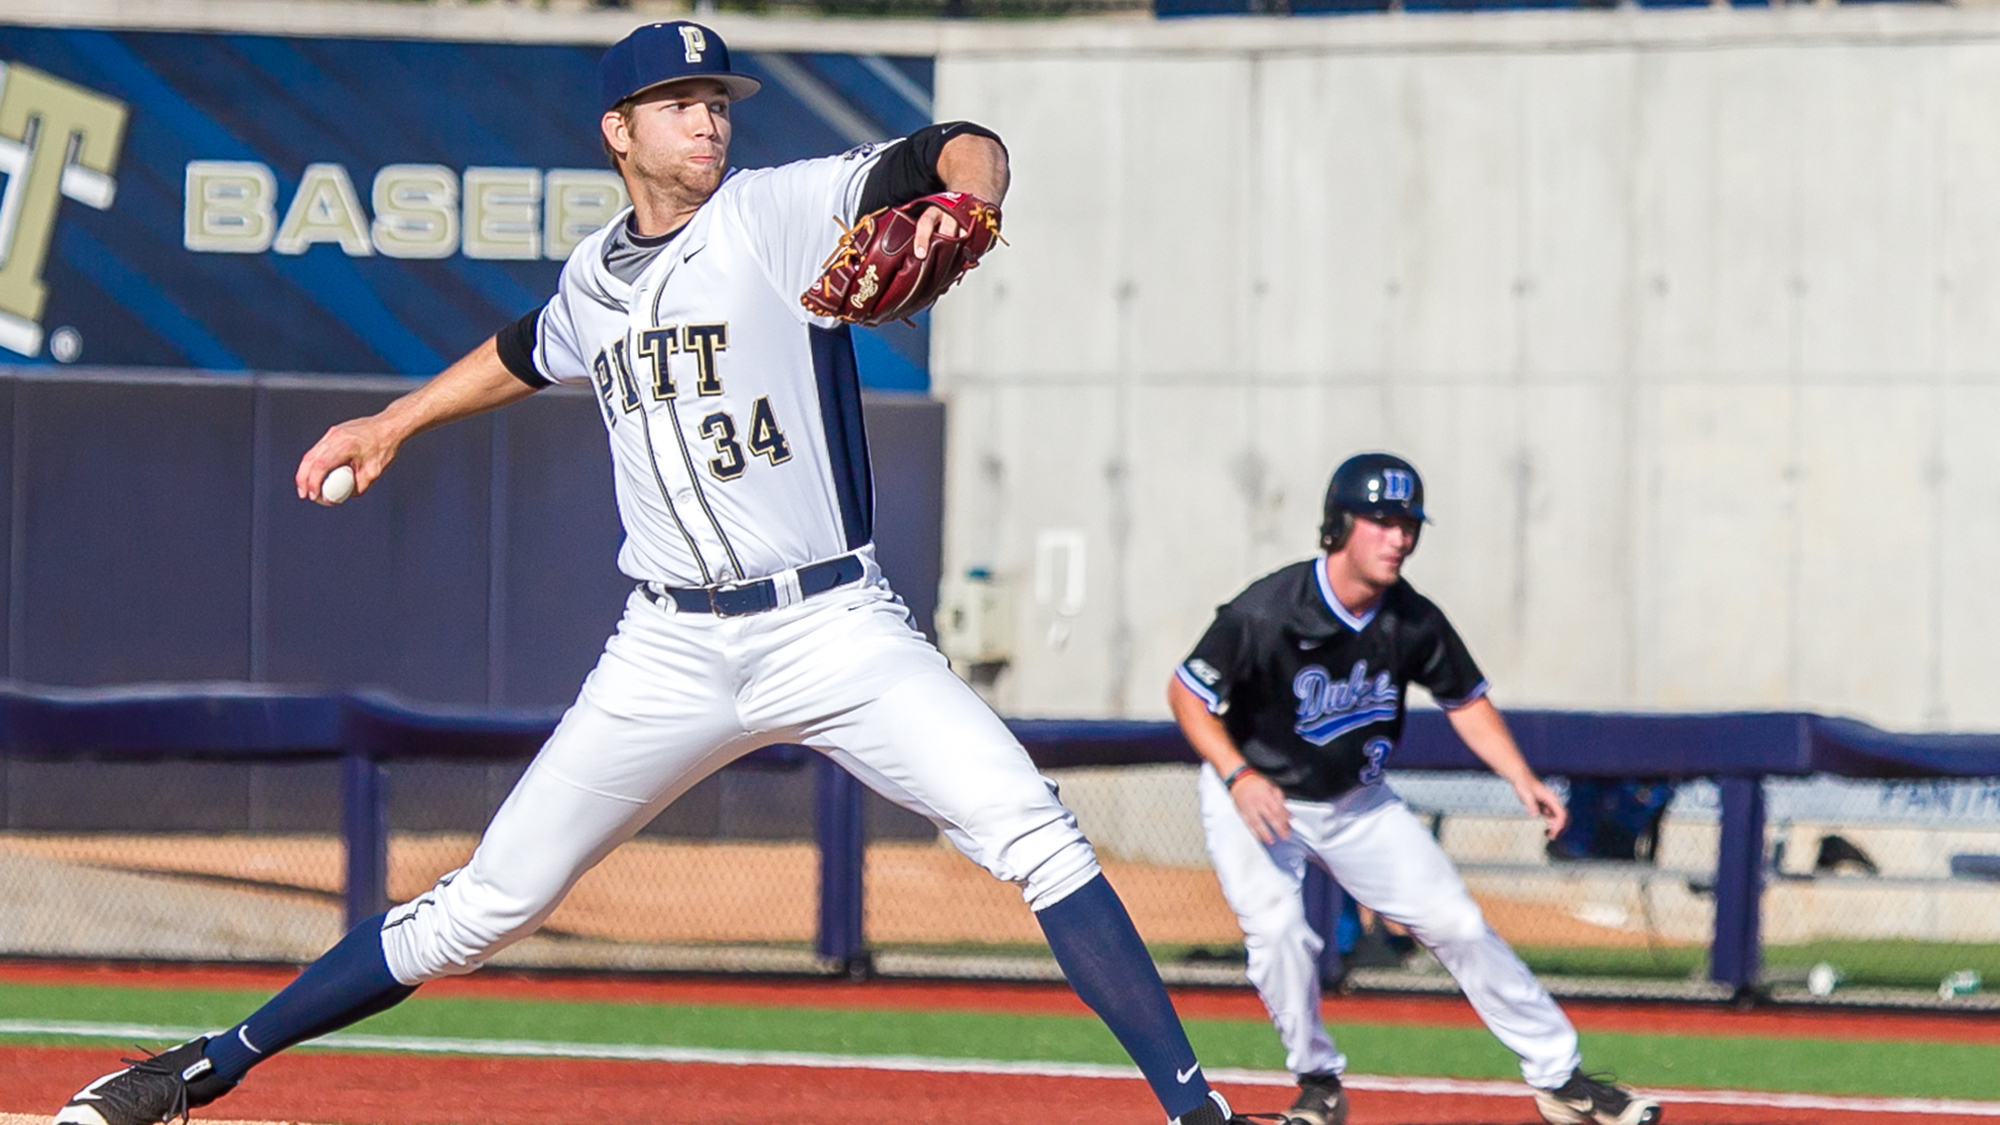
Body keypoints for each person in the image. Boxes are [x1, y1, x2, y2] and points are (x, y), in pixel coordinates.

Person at [55, 23, 1242, 1125]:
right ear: (617, 132)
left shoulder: (774, 215)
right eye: (677, 103)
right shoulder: (593, 278)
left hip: (831, 624)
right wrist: (391, 423)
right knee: (480, 908)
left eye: (716, 100)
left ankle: (1199, 1113)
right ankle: (207, 1066)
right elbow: (527, 349)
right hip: (669, 647)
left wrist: (959, 200)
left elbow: (960, 146)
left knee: (1036, 833)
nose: (708, 121)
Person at [1167, 453, 1663, 1125]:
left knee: (1459, 923)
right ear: (1339, 525)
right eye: (1382, 521)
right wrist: (1239, 773)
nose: (1399, 536)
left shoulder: (1412, 618)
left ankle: (1562, 1080)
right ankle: (1318, 1081)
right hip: (1257, 796)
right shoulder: (1267, 610)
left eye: (1407, 523)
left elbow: (1466, 699)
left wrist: (1520, 775)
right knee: (1280, 932)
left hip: (1356, 802)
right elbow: (1187, 693)